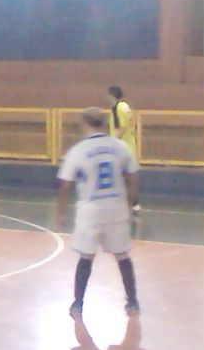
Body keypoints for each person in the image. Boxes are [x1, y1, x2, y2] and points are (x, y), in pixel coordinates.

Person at [56, 108, 141, 318]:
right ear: (104, 123)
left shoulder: (78, 150)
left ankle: (78, 304)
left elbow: (65, 184)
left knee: (86, 257)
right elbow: (132, 179)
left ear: (84, 124)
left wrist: (61, 212)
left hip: (90, 210)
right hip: (116, 207)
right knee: (122, 256)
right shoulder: (121, 147)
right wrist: (129, 205)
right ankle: (132, 302)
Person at [105, 86, 142, 213]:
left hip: (121, 148)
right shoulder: (125, 107)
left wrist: (112, 142)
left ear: (112, 95)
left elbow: (121, 127)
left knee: (118, 175)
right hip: (129, 146)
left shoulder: (117, 108)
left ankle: (127, 202)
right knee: (127, 176)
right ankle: (133, 203)